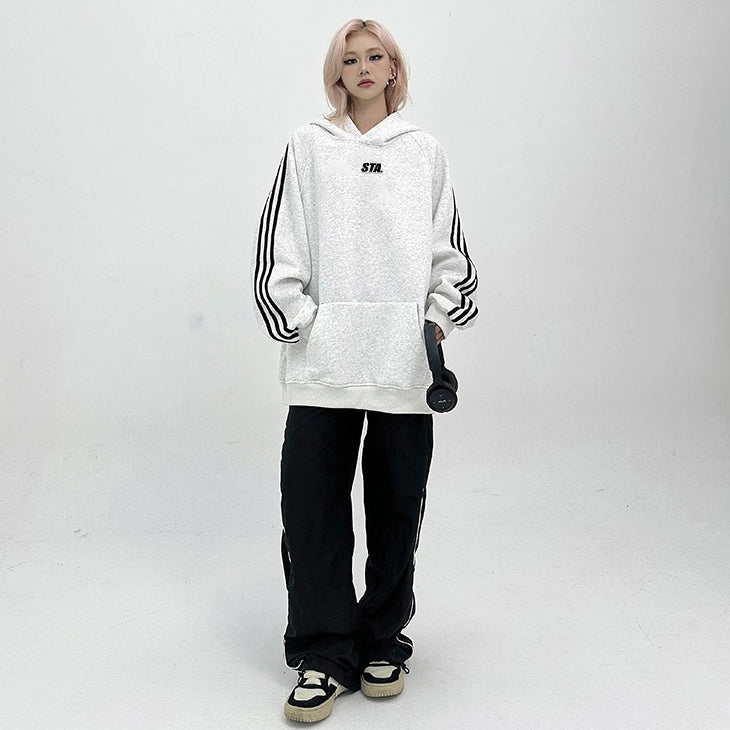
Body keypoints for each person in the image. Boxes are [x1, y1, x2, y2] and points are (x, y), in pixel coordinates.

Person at [250, 17, 479, 723]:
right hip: (324, 366)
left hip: (403, 365)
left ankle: (382, 640)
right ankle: (324, 655)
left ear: (394, 68)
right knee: (311, 512)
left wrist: (434, 321)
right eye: (350, 60)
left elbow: (452, 256)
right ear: (337, 74)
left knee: (395, 510)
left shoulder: (423, 150)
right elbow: (279, 248)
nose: (364, 68)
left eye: (376, 56)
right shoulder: (308, 146)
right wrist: (306, 324)